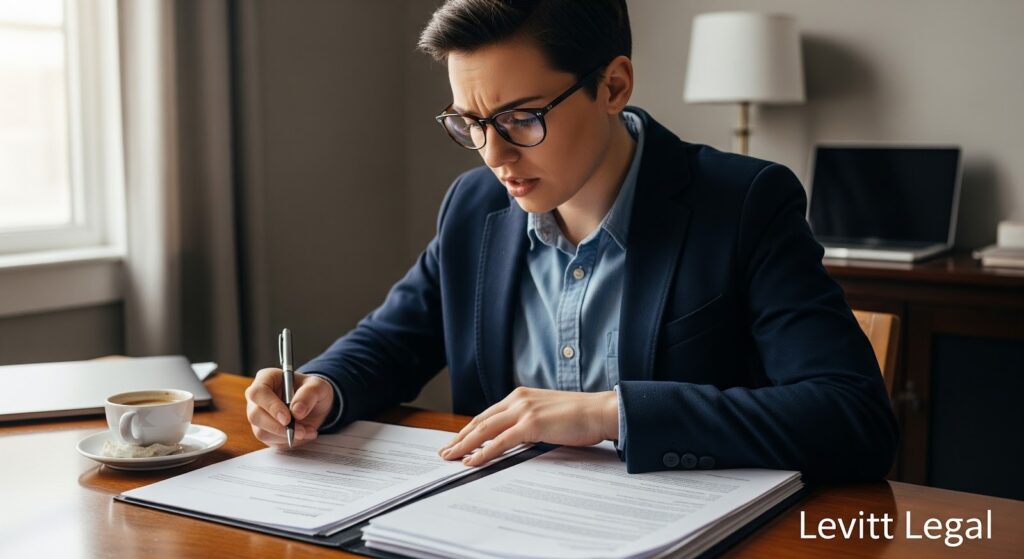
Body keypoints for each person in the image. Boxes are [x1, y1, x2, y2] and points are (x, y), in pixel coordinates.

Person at [244, 0, 898, 482]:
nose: (492, 155)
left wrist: (612, 412)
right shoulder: (475, 207)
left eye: (521, 119)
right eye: (470, 122)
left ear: (613, 86)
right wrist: (323, 386)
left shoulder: (744, 203)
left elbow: (852, 418)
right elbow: (395, 339)